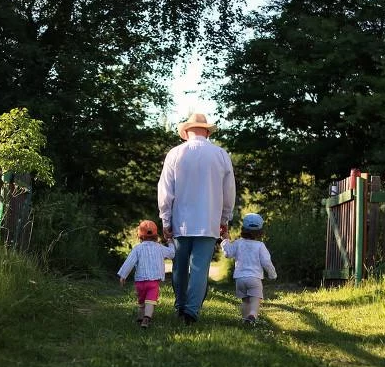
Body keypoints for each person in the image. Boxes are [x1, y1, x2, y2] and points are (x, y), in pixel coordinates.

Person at [158, 112, 236, 325]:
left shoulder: (175, 153)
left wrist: (165, 219)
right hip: (208, 220)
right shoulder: (220, 154)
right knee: (200, 267)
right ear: (207, 132)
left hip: (180, 220)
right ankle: (191, 312)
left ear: (186, 132)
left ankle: (180, 306)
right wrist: (224, 218)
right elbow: (229, 191)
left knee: (179, 267)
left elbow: (165, 190)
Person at [116, 220, 175, 329]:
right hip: (153, 282)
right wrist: (170, 241)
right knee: (150, 301)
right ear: (156, 235)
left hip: (140, 282)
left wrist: (123, 275)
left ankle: (140, 318)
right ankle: (147, 318)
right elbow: (172, 253)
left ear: (140, 235)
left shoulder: (137, 249)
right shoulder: (159, 247)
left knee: (141, 301)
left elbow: (129, 262)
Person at [220, 213, 277, 325]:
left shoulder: (238, 243)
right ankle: (253, 315)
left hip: (240, 279)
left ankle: (246, 320)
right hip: (254, 279)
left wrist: (225, 240)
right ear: (260, 232)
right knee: (255, 299)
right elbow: (266, 262)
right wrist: (272, 274)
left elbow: (228, 253)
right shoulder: (260, 246)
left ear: (243, 229)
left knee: (245, 301)